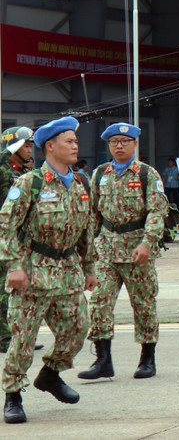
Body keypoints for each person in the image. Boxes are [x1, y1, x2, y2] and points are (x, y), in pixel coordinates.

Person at [1, 118, 98, 425]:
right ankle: (13, 396)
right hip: (32, 272)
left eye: (76, 141)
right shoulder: (30, 183)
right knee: (23, 339)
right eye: (68, 141)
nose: (75, 146)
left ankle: (51, 374)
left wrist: (90, 267)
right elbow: (5, 225)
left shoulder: (81, 182)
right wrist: (14, 266)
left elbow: (87, 229)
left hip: (68, 270)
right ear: (50, 146)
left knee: (78, 329)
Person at [79, 122, 166, 381]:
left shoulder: (147, 174)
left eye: (124, 141)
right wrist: (87, 250)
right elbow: (92, 215)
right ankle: (103, 359)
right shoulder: (99, 174)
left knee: (144, 304)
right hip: (105, 249)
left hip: (136, 250)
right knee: (99, 302)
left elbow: (157, 211)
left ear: (135, 144)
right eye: (114, 141)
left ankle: (147, 358)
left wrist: (147, 243)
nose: (119, 145)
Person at [0, 127, 37, 354]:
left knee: (18, 290)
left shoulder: (22, 172)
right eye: (25, 145)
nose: (29, 149)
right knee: (4, 289)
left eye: (31, 145)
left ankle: (15, 333)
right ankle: (5, 337)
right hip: (4, 237)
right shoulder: (3, 169)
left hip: (19, 238)